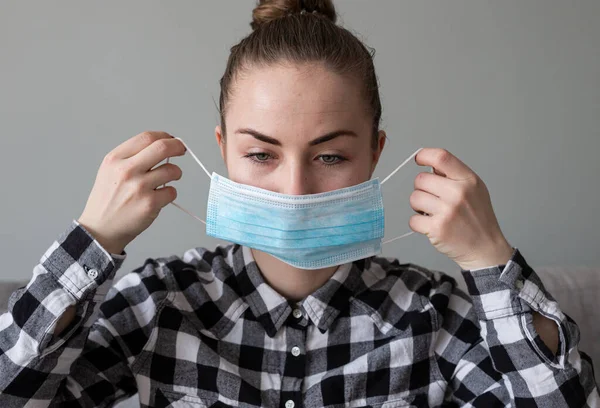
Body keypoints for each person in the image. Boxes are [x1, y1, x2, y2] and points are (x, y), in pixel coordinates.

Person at [0, 0, 597, 406]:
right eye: (261, 155)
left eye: (330, 156)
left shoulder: (434, 318)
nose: (295, 189)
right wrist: (93, 241)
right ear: (223, 152)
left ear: (374, 154)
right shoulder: (160, 304)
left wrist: (490, 258)